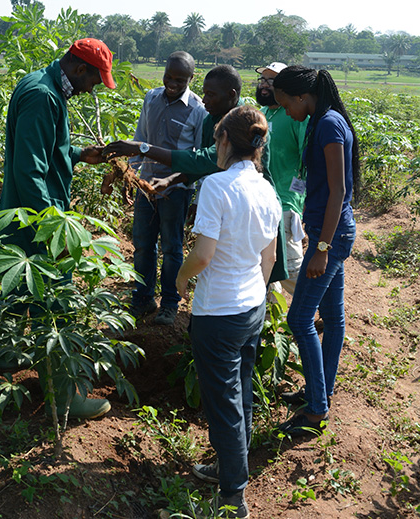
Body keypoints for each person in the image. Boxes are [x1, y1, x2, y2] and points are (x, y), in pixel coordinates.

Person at [0, 38, 116, 420]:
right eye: (94, 81)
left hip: (23, 218)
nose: (91, 89)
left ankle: (11, 376)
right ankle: (66, 400)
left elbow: (46, 151)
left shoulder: (43, 85)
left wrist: (80, 154)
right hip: (37, 223)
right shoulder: (42, 96)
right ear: (79, 69)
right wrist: (56, 230)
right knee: (58, 311)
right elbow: (29, 172)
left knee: (21, 301)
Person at [176, 105, 281, 518]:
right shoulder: (267, 189)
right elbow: (269, 259)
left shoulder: (217, 187)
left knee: (223, 403)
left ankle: (234, 497)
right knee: (240, 393)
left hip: (218, 312)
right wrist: (252, 288)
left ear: (223, 141)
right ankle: (227, 467)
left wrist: (181, 279)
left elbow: (203, 256)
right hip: (252, 305)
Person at [103, 65, 289, 286]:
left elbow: (204, 158)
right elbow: (199, 165)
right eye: (204, 92)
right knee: (229, 268)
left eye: (211, 94)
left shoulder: (242, 122)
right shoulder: (212, 118)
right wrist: (170, 180)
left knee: (252, 271)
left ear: (231, 95)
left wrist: (142, 148)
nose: (204, 99)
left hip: (251, 206)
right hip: (229, 204)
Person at [273, 66, 359, 437]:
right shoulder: (321, 119)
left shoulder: (327, 124)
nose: (286, 112)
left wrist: (322, 247)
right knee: (333, 317)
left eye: (285, 104)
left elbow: (338, 190)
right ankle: (319, 390)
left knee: (299, 319)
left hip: (334, 236)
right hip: (330, 231)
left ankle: (315, 410)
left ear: (302, 97)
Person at [127, 51, 207, 326]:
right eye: (169, 77)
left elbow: (199, 158)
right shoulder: (151, 98)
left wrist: (195, 193)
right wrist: (130, 172)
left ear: (191, 78)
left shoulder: (198, 109)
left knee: (172, 248)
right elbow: (141, 138)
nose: (172, 84)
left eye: (180, 80)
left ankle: (170, 304)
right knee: (142, 245)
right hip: (146, 184)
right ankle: (143, 297)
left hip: (176, 190)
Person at [256, 62, 309, 295]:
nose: (265, 85)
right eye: (263, 80)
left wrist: (300, 196)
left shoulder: (296, 116)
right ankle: (271, 318)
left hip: (286, 199)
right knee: (266, 260)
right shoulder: (265, 114)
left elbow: (306, 160)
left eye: (271, 81)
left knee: (291, 264)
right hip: (262, 200)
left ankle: (317, 309)